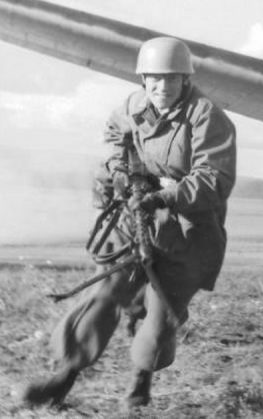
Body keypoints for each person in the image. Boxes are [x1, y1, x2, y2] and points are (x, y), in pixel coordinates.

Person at [22, 36, 237, 409]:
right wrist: (122, 169)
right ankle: (64, 376)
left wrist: (165, 195)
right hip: (134, 216)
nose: (162, 87)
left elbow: (213, 179)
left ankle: (140, 384)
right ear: (142, 80)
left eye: (171, 79)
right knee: (105, 294)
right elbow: (114, 138)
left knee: (160, 314)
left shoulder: (207, 117)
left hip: (187, 230)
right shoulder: (132, 106)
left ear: (185, 80)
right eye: (154, 79)